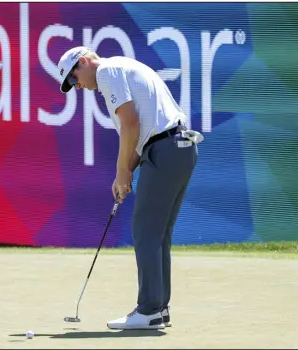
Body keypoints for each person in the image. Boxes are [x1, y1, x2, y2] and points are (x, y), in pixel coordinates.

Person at [57, 46, 203, 330]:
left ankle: (149, 309)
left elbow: (130, 124)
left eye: (74, 79)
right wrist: (124, 173)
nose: (78, 87)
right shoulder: (121, 67)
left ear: (84, 61)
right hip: (179, 148)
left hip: (165, 149)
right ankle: (158, 309)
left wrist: (122, 171)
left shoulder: (108, 71)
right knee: (158, 233)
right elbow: (140, 131)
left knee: (145, 230)